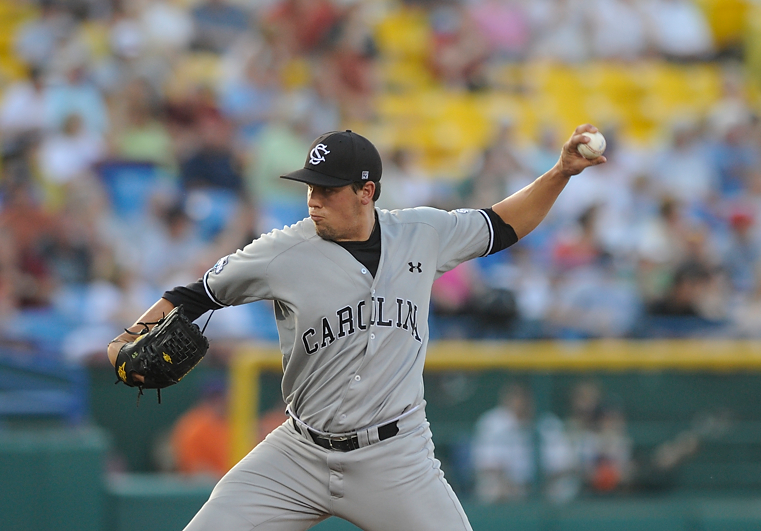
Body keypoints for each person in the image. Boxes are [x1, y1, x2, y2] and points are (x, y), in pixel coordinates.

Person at [106, 125, 606, 530]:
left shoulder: (422, 232)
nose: (312, 199)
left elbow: (502, 224)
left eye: (326, 189)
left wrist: (561, 172)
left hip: (396, 455)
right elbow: (191, 296)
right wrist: (124, 342)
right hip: (298, 452)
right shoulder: (281, 251)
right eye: (309, 187)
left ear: (366, 192)